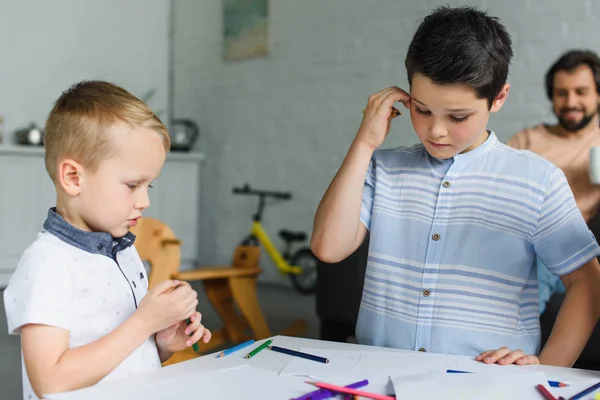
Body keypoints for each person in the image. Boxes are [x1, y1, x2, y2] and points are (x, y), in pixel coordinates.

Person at [311, 6, 600, 368]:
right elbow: (328, 247)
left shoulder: (537, 179)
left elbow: (586, 282)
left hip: (487, 384)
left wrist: (544, 369)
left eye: (458, 116)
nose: (436, 131)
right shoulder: (383, 168)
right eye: (421, 109)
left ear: (499, 98)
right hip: (381, 378)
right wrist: (364, 145)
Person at [3, 81, 212, 400]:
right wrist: (144, 323)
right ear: (73, 178)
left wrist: (162, 343)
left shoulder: (123, 250)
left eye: (149, 187)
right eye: (132, 185)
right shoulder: (48, 264)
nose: (145, 201)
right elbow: (50, 381)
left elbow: (124, 360)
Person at [507, 50, 600, 313]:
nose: (571, 102)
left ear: (598, 95)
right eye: (562, 93)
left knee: (543, 262)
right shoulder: (526, 141)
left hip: (571, 253)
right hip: (520, 242)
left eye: (581, 92)